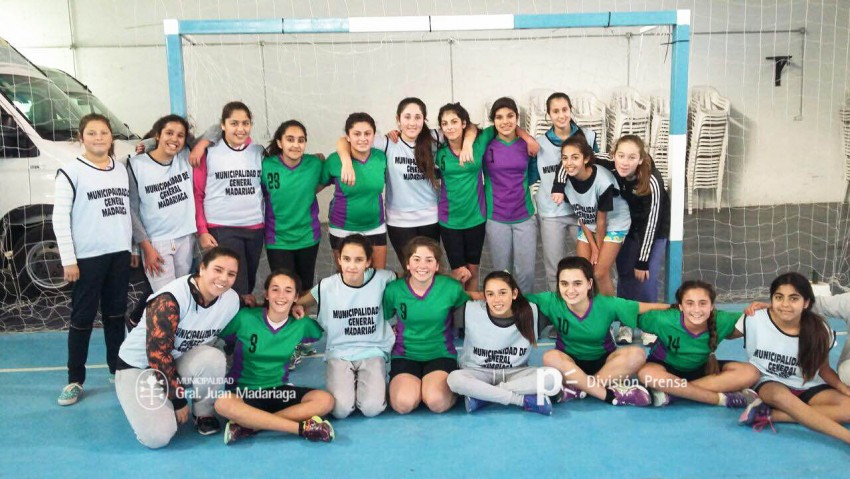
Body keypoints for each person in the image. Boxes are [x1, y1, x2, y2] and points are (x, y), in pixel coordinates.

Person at [115, 247, 241, 448]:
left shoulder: (231, 300)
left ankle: (203, 413)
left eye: (231, 274)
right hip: (138, 368)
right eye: (218, 270)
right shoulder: (170, 299)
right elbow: (157, 355)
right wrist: (178, 400)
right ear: (202, 268)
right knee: (158, 437)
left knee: (214, 358)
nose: (224, 278)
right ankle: (136, 397)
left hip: (174, 361)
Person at [53, 113, 132, 406]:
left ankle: (117, 369)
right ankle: (75, 379)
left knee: (115, 315)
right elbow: (59, 217)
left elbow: (126, 211)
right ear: (81, 137)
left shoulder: (120, 169)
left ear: (111, 137)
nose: (98, 138)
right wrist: (68, 259)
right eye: (92, 133)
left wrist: (132, 248)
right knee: (82, 319)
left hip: (119, 255)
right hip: (86, 258)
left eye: (103, 133)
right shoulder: (70, 172)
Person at [527, 256, 669, 406]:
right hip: (569, 363)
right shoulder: (551, 301)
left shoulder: (606, 304)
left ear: (589, 284)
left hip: (604, 364)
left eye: (577, 283)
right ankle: (604, 391)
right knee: (550, 357)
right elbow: (515, 299)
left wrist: (680, 308)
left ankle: (579, 389)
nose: (570, 290)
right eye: (564, 284)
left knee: (637, 354)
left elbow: (646, 307)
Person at [215, 269, 335, 444]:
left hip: (279, 390)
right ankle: (301, 429)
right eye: (275, 289)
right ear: (266, 294)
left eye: (288, 291)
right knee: (222, 404)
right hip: (244, 391)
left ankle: (250, 424)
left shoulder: (302, 325)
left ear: (296, 297)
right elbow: (221, 335)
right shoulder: (244, 318)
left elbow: (325, 330)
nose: (281, 295)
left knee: (325, 400)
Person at [736, 273, 850, 444]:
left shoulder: (820, 329)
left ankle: (769, 414)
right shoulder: (754, 318)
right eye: (779, 297)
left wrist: (843, 389)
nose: (785, 304)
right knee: (782, 397)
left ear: (806, 303)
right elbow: (720, 331)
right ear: (772, 299)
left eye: (794, 299)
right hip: (770, 383)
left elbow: (824, 369)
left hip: (806, 384)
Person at [297, 234, 396, 418]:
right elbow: (298, 303)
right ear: (339, 260)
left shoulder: (384, 279)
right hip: (339, 352)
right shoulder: (327, 286)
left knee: (372, 409)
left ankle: (367, 383)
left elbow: (411, 281)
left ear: (368, 262)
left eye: (359, 260)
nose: (352, 265)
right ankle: (351, 382)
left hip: (372, 351)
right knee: (340, 411)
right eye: (347, 259)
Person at [447, 271, 561, 415]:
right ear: (484, 296)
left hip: (516, 372)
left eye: (502, 293)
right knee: (454, 379)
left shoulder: (531, 312)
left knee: (553, 378)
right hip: (477, 372)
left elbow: (562, 307)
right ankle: (520, 400)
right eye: (490, 294)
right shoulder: (469, 310)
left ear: (514, 294)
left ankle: (484, 396)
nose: (496, 300)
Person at [636, 280, 760, 407]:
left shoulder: (722, 320)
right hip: (665, 369)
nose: (696, 310)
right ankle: (719, 399)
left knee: (751, 373)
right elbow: (628, 312)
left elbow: (762, 319)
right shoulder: (662, 320)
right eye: (689, 303)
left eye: (703, 303)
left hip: (701, 371)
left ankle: (672, 393)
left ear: (711, 306)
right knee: (646, 375)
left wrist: (765, 308)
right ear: (680, 306)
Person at [383, 236, 470, 413]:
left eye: (429, 260)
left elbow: (473, 300)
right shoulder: (393, 290)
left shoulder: (451, 288)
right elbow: (383, 317)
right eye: (416, 259)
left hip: (440, 353)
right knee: (403, 405)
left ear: (437, 266)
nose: (422, 266)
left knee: (436, 402)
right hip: (405, 355)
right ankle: (411, 389)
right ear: (407, 264)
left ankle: (439, 387)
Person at [597, 135, 670, 345]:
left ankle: (648, 324)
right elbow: (581, 155)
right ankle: (626, 324)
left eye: (631, 157)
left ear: (640, 159)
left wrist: (642, 259)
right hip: (626, 226)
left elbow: (653, 221)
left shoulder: (652, 179)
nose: (624, 161)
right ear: (613, 155)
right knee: (626, 276)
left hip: (653, 230)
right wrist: (558, 183)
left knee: (644, 277)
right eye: (620, 155)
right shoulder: (611, 162)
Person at [193, 102, 265, 306]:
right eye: (234, 123)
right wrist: (202, 230)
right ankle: (229, 333)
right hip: (222, 227)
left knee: (247, 283)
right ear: (222, 125)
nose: (240, 129)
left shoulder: (259, 152)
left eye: (245, 123)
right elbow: (198, 194)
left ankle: (237, 328)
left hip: (254, 227)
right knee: (232, 285)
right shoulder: (208, 152)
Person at [551, 137, 631, 296]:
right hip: (588, 222)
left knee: (599, 273)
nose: (569, 162)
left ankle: (611, 315)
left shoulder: (603, 181)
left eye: (575, 157)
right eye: (565, 158)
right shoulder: (566, 181)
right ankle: (591, 310)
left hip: (613, 222)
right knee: (583, 271)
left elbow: (602, 222)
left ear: (586, 158)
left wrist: (598, 251)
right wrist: (593, 247)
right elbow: (581, 215)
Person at [534, 92, 598, 291]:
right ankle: (558, 313)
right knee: (554, 269)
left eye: (564, 110)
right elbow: (528, 175)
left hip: (583, 213)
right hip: (552, 212)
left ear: (571, 111)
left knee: (591, 267)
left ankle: (592, 309)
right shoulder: (538, 144)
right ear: (548, 114)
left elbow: (596, 170)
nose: (561, 115)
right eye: (555, 111)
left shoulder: (587, 136)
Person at [127, 114, 196, 293]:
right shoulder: (135, 165)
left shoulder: (186, 156)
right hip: (157, 242)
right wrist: (145, 247)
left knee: (184, 295)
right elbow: (132, 211)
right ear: (158, 134)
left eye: (180, 135)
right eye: (169, 133)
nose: (174, 139)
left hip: (186, 238)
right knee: (166, 299)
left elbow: (213, 133)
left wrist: (150, 142)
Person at [482, 97, 540, 293]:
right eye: (499, 117)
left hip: (524, 215)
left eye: (510, 116)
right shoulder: (486, 145)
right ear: (493, 121)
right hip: (496, 217)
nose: (505, 121)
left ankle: (526, 311)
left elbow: (533, 175)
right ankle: (504, 312)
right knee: (501, 272)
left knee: (525, 272)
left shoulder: (527, 145)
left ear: (517, 117)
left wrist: (527, 137)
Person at [261, 120, 324, 293]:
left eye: (301, 140)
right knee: (284, 288)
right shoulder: (266, 166)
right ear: (280, 143)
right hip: (278, 239)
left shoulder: (315, 164)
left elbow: (323, 182)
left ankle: (302, 319)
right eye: (290, 139)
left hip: (308, 237)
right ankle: (284, 319)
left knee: (304, 288)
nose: (296, 145)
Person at [321, 113, 389, 269]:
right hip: (342, 229)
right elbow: (314, 188)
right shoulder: (335, 160)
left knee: (377, 278)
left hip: (375, 226)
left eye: (367, 133)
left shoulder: (381, 158)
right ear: (348, 137)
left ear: (373, 135)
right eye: (357, 134)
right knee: (347, 279)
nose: (363, 138)